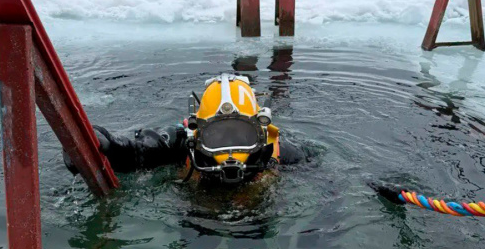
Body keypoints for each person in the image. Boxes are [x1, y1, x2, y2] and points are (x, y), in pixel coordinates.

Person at [64, 73, 306, 184]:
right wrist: (98, 144)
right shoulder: (182, 142)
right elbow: (138, 151)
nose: (230, 153)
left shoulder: (279, 151)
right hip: (198, 216)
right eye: (217, 135)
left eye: (242, 134)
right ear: (197, 131)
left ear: (261, 131)